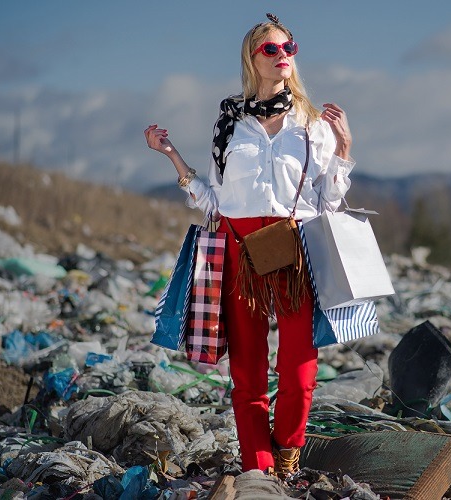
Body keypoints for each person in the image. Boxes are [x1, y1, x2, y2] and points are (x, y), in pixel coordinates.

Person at [144, 13, 354, 478]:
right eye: (272, 50)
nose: (283, 57)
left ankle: (287, 452)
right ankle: (258, 467)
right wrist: (173, 156)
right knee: (247, 372)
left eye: (289, 48)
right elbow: (216, 202)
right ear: (252, 59)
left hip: (294, 250)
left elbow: (329, 202)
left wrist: (342, 149)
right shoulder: (230, 123)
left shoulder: (313, 124)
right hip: (238, 247)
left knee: (299, 368)